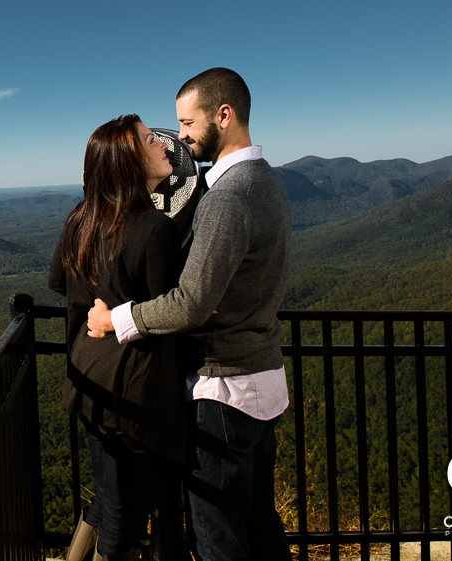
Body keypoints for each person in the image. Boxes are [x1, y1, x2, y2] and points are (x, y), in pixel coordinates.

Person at [87, 68, 293, 561]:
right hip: (262, 379)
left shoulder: (228, 198)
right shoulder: (266, 181)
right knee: (260, 526)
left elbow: (191, 303)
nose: (177, 136)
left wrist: (118, 320)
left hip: (223, 392)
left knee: (217, 538)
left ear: (224, 116)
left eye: (186, 122)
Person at [49, 114, 191, 561]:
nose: (165, 145)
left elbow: (58, 280)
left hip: (88, 377)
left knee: (111, 496)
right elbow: (171, 312)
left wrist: (103, 300)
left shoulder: (81, 219)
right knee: (126, 514)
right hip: (135, 390)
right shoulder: (155, 230)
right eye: (152, 141)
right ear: (130, 161)